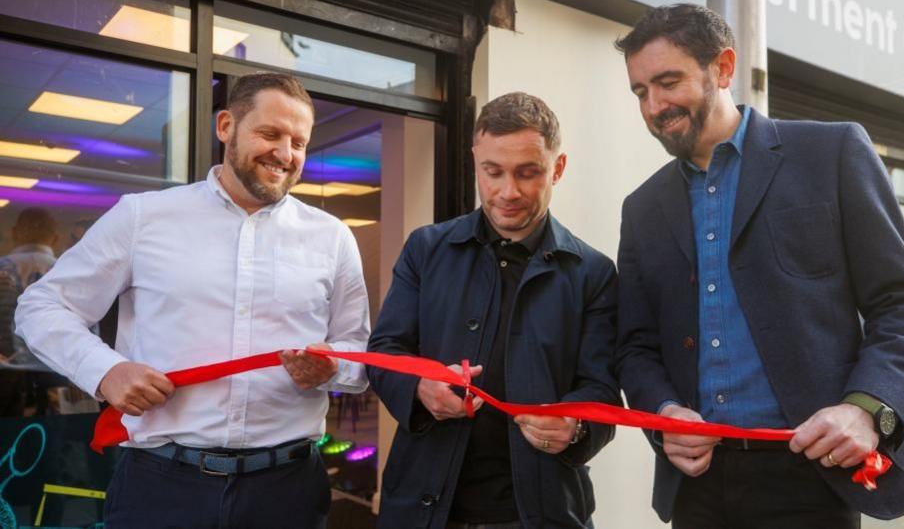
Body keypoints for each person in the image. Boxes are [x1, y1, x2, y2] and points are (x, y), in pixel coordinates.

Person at [613, 4, 904, 527]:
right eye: (640, 91)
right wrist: (665, 414)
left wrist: (866, 408)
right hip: (697, 486)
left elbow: (903, 305)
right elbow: (634, 344)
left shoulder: (831, 153)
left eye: (667, 82)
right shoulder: (642, 207)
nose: (654, 106)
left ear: (722, 68)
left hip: (814, 475)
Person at [15, 72, 370, 528]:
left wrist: (332, 367)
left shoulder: (333, 239)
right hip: (161, 486)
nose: (285, 154)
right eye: (269, 133)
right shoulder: (143, 218)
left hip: (289, 494)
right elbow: (41, 306)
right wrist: (106, 371)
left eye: (299, 142)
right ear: (226, 126)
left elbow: (357, 351)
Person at [368, 92, 619, 529]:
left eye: (528, 173)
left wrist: (575, 426)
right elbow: (385, 351)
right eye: (493, 172)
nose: (508, 192)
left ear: (557, 169)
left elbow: (600, 389)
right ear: (474, 163)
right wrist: (419, 389)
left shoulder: (593, 273)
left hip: (543, 511)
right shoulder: (425, 250)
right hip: (424, 507)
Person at [0, 207, 59, 415]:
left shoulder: (1, 269)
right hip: (58, 375)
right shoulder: (67, 272)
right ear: (55, 238)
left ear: (15, 233)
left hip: (5, 375)